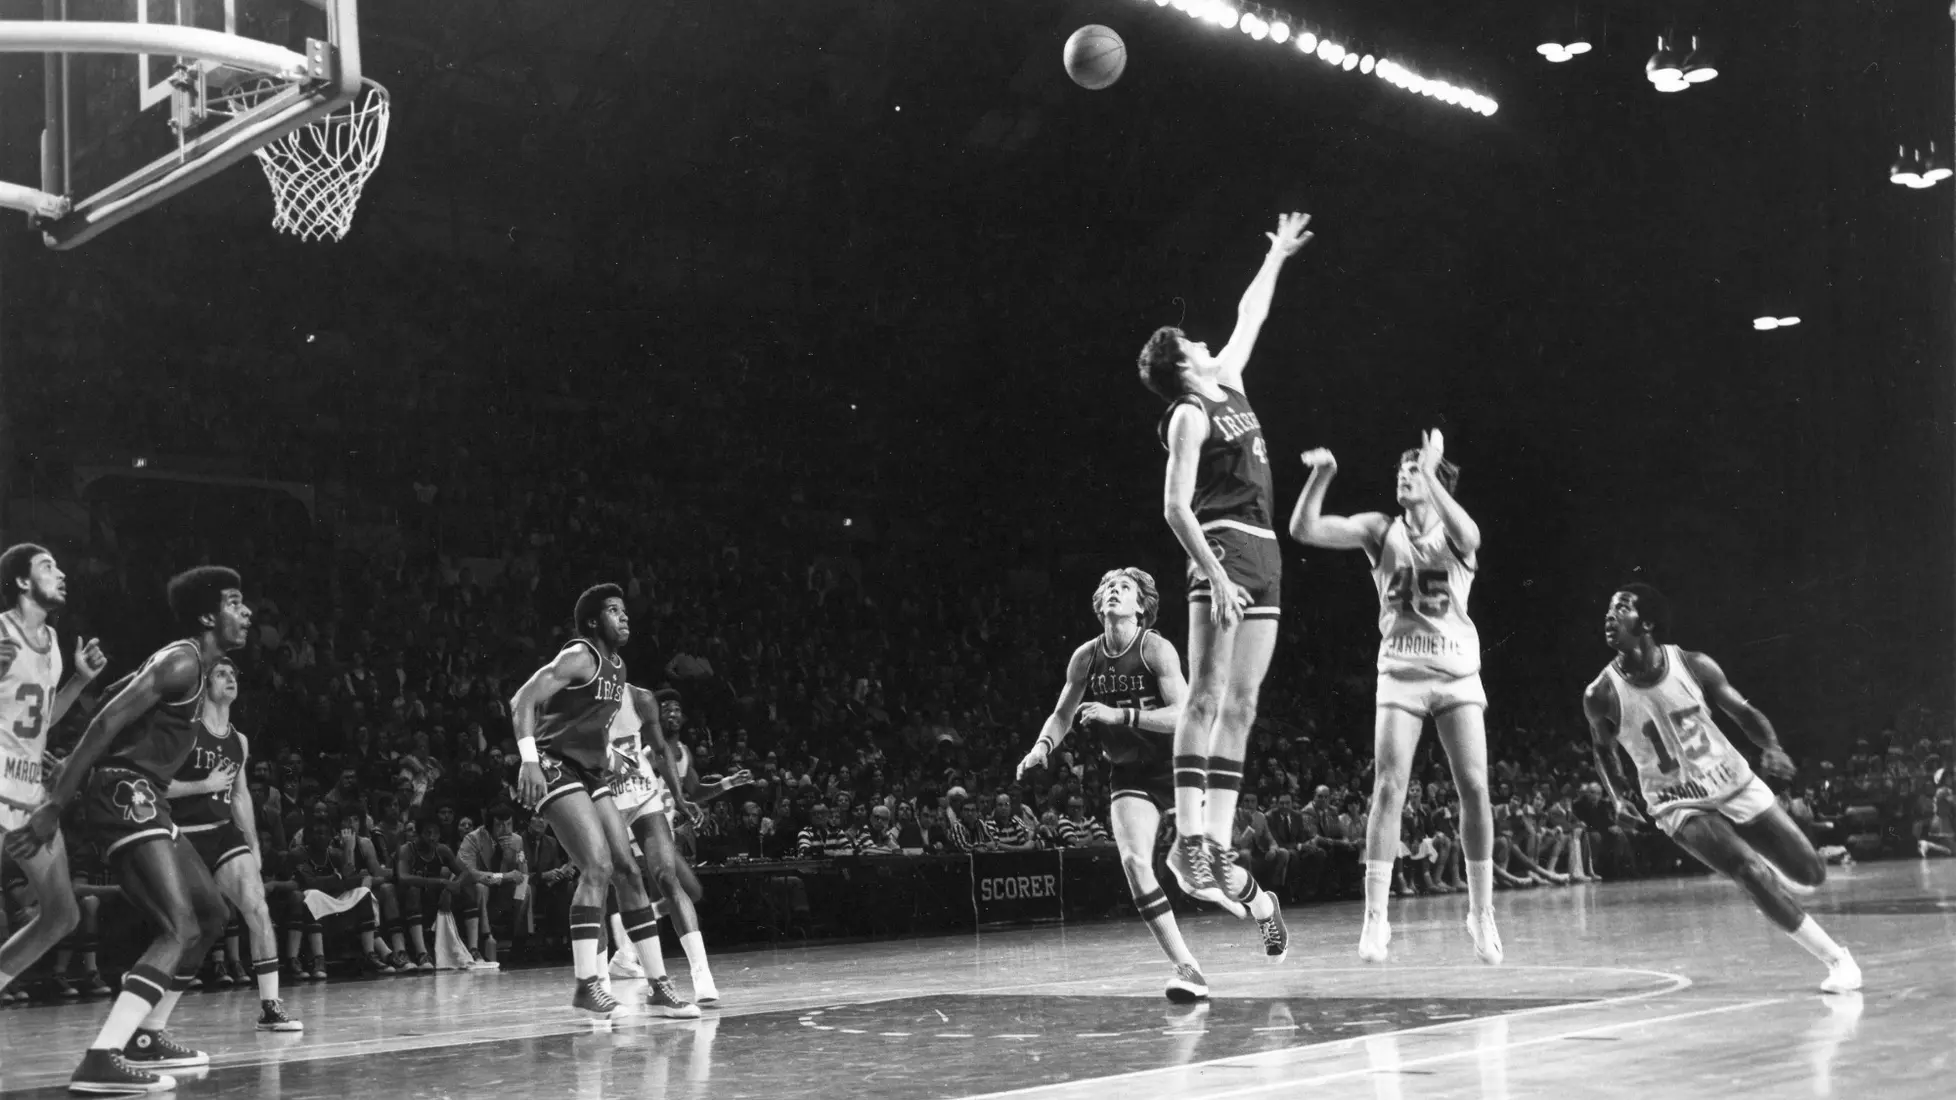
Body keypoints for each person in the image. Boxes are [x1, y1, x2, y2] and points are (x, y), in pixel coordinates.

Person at [1135, 211, 1314, 914]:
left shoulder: (1229, 379)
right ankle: (1188, 840)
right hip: (1223, 543)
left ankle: (1216, 844)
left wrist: (1274, 256)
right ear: (1181, 361)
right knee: (1206, 694)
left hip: (1265, 548)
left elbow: (1251, 313)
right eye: (1188, 338)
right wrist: (1212, 574)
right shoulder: (1187, 414)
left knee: (1244, 703)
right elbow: (1175, 508)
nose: (1203, 335)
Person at [12, 566, 248, 1093]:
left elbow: (107, 703)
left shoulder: (183, 666)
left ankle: (147, 1035)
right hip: (125, 794)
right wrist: (57, 799)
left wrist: (68, 758)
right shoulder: (182, 659)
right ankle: (102, 1058)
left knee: (211, 914)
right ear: (209, 616)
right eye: (235, 602)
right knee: (179, 926)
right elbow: (105, 722)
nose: (247, 611)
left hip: (144, 797)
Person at [1018, 568, 1287, 1003]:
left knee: (1207, 873)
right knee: (1133, 861)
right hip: (1129, 773)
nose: (1113, 591)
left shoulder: (1155, 649)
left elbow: (1184, 714)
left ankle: (1262, 906)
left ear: (1140, 606)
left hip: (1176, 766)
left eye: (1123, 588)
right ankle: (1188, 968)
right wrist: (1042, 747)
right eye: (1107, 586)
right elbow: (1062, 713)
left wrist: (1118, 715)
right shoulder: (1085, 658)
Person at [1289, 431, 1502, 965]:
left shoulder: (1455, 534)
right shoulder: (1381, 530)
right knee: (1389, 787)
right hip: (1401, 674)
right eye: (1402, 469)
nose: (1403, 475)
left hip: (1455, 672)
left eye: (1415, 469)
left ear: (1435, 481)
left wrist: (1431, 469)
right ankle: (1376, 919)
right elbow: (1304, 529)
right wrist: (1323, 474)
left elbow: (1471, 536)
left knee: (1475, 787)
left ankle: (1481, 912)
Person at [1585, 583, 1860, 993]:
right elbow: (1602, 749)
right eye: (1608, 609)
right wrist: (1619, 796)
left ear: (1646, 622)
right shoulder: (1600, 693)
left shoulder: (1694, 665)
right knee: (1748, 871)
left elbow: (1743, 712)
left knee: (1812, 873)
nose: (1609, 616)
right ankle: (1838, 960)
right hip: (1676, 801)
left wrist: (1771, 746)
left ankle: (1778, 886)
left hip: (1732, 779)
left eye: (1621, 608)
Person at [509, 584, 691, 1020]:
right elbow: (522, 700)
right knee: (597, 867)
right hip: (554, 767)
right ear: (594, 621)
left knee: (629, 871)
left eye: (625, 610)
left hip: (591, 771)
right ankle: (586, 984)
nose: (624, 617)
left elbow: (587, 724)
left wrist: (613, 757)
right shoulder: (580, 656)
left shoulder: (618, 667)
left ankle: (658, 985)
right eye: (614, 611)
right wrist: (529, 761)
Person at [162, 657, 302, 1030]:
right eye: (221, 674)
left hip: (223, 833)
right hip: (183, 836)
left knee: (257, 908)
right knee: (186, 929)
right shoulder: (186, 731)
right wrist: (203, 786)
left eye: (233, 674)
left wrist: (253, 845)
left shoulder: (238, 740)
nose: (230, 679)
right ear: (204, 684)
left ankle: (270, 1006)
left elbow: (240, 797)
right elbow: (158, 785)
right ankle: (153, 1015)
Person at [0, 545, 106, 1007]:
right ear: (22, 582)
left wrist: (79, 681)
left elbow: (43, 719)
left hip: (31, 796)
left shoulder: (53, 643)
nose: (61, 573)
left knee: (62, 915)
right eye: (47, 567)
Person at [600, 683, 712, 1013]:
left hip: (644, 793)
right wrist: (615, 757)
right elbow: (578, 744)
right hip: (607, 798)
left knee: (669, 879)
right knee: (611, 881)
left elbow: (660, 751)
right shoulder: (581, 697)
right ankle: (603, 980)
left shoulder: (640, 698)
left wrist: (678, 796)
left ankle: (701, 975)